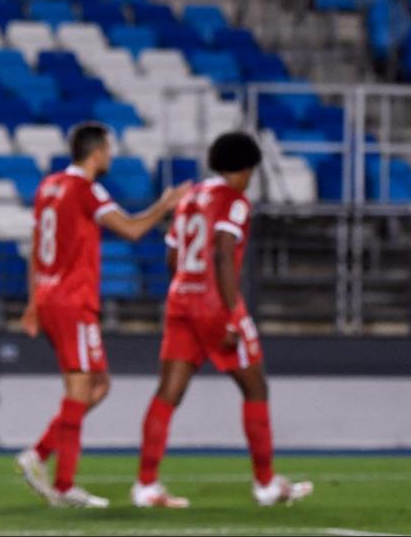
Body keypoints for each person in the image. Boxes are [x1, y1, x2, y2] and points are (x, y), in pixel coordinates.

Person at [131, 131, 313, 508]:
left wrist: (188, 290)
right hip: (216, 305)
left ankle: (146, 485)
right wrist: (229, 314)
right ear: (245, 169)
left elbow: (171, 257)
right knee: (255, 389)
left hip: (181, 299)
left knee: (168, 393)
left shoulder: (189, 199)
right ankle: (265, 484)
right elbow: (223, 252)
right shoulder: (235, 200)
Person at [17, 121, 189, 508]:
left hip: (49, 295)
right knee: (81, 388)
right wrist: (164, 205)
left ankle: (40, 454)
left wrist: (32, 303)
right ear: (96, 153)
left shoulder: (49, 187)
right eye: (108, 150)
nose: (110, 156)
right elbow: (130, 230)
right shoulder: (85, 190)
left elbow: (35, 247)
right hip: (72, 300)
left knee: (98, 385)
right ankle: (62, 485)